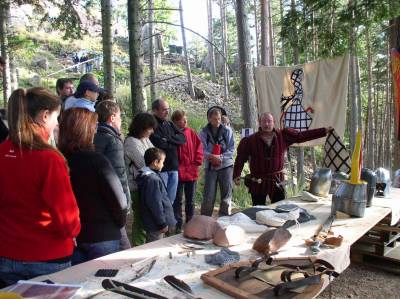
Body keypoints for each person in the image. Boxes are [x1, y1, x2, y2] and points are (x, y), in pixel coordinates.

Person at [0, 88, 80, 286]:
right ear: (45, 115)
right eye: (56, 117)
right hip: (47, 256)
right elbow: (67, 220)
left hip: (7, 254)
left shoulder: (2, 151)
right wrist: (73, 231)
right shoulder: (49, 158)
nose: (57, 123)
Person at [59, 108, 127, 265]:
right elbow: (120, 202)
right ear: (86, 130)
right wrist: (118, 223)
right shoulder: (97, 161)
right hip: (101, 236)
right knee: (103, 286)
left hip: (75, 237)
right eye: (94, 126)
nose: (96, 130)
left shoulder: (59, 160)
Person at [233, 112, 332, 205]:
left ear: (274, 122)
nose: (267, 124)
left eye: (269, 121)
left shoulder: (283, 136)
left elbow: (302, 136)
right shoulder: (250, 140)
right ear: (260, 123)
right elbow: (240, 158)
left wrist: (323, 131)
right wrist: (237, 174)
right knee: (258, 209)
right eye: (264, 121)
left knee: (279, 208)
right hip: (258, 180)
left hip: (277, 180)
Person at [94, 100, 131, 250]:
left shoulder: (93, 136)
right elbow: (118, 174)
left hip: (98, 199)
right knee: (124, 250)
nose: (121, 121)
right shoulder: (113, 141)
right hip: (113, 201)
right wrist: (125, 204)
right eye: (120, 117)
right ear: (112, 117)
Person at [124, 112, 157, 246]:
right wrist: (156, 161)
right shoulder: (131, 142)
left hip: (146, 184)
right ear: (142, 127)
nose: (152, 131)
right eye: (150, 128)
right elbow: (145, 164)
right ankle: (138, 246)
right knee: (140, 220)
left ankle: (144, 244)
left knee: (146, 218)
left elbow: (156, 154)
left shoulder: (144, 139)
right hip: (136, 186)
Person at [171, 110, 203, 232]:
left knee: (191, 200)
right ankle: (178, 224)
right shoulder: (172, 133)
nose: (185, 121)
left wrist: (197, 162)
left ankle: (190, 223)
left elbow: (199, 147)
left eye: (186, 119)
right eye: (182, 119)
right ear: (175, 121)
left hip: (191, 172)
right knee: (177, 200)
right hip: (178, 173)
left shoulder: (191, 133)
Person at [200, 107, 235, 216]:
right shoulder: (203, 133)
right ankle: (205, 220)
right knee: (208, 195)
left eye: (219, 119)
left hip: (226, 166)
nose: (218, 121)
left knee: (226, 195)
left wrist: (221, 157)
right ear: (209, 119)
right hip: (211, 166)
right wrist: (211, 156)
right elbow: (201, 149)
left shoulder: (227, 130)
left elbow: (231, 148)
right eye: (215, 119)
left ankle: (224, 220)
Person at [150, 99, 186, 204]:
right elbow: (159, 143)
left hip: (174, 167)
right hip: (161, 168)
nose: (167, 112)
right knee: (161, 199)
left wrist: (168, 139)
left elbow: (183, 138)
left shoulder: (169, 124)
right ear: (155, 110)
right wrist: (173, 141)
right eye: (164, 110)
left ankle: (168, 220)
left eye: (168, 109)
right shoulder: (152, 124)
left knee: (171, 200)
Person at [136, 148, 176, 242]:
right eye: (162, 161)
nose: (163, 164)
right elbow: (155, 204)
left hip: (155, 223)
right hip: (156, 225)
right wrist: (161, 223)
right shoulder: (152, 180)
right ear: (155, 162)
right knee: (156, 247)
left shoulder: (150, 176)